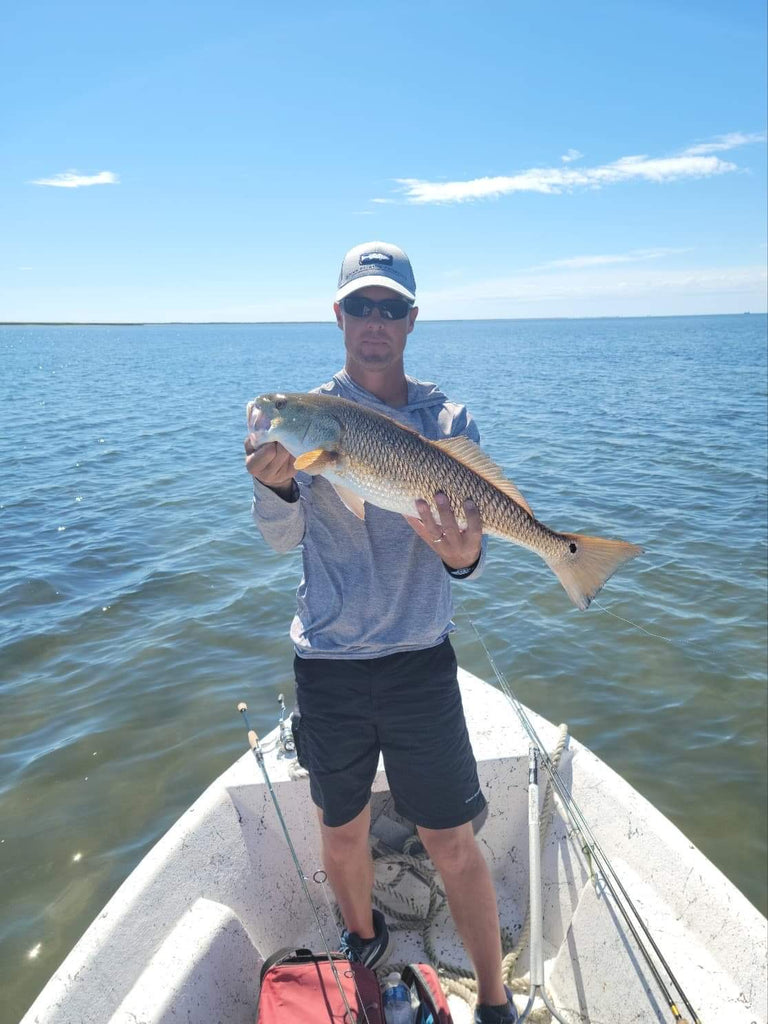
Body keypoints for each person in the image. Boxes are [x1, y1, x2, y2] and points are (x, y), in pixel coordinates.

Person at [244, 241, 517, 1024]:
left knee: (453, 840)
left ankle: (494, 1003)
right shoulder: (300, 421)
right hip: (328, 663)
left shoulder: (446, 419)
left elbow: (471, 553)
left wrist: (466, 557)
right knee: (342, 832)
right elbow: (277, 540)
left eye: (390, 306)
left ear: (411, 319)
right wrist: (277, 486)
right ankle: (362, 953)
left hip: (420, 662)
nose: (375, 320)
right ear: (338, 315)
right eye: (360, 305)